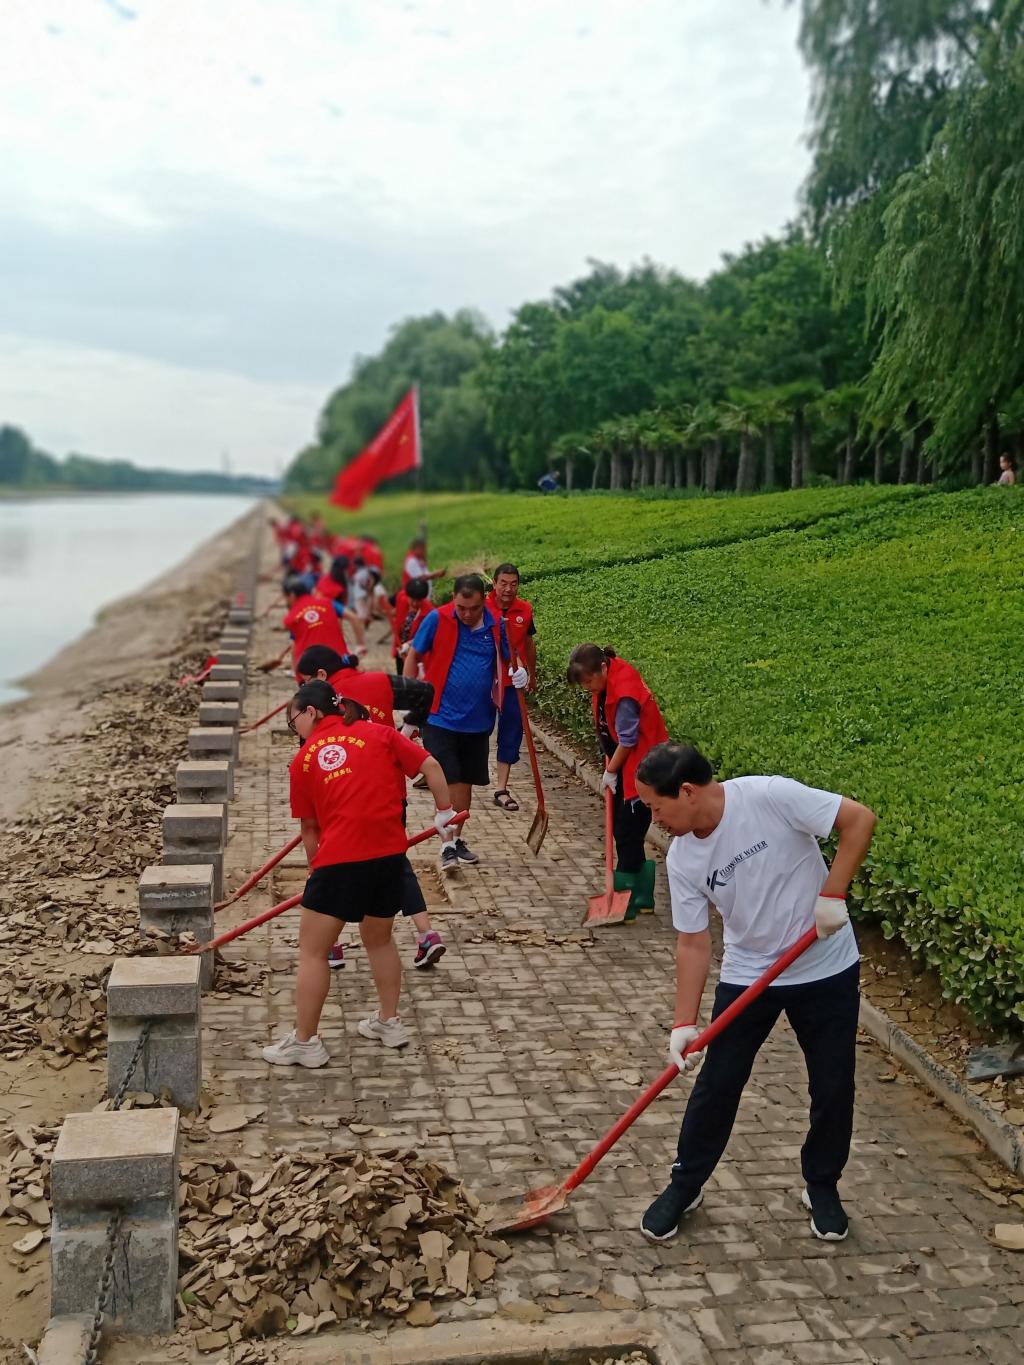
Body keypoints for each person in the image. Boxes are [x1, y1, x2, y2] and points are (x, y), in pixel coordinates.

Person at [634, 742, 876, 1244]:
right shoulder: (683, 857)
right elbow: (693, 941)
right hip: (750, 972)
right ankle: (685, 1184)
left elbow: (859, 820)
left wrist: (832, 894)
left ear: (687, 792)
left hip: (825, 965)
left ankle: (822, 1185)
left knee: (833, 1085)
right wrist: (683, 1023)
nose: (654, 819)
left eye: (657, 807)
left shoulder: (768, 796)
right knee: (718, 1083)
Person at [262, 681, 459, 1067]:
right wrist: (444, 812)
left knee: (313, 951)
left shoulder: (304, 759)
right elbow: (432, 766)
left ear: (312, 712)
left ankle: (305, 1042)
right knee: (379, 940)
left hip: (340, 859)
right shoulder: (380, 733)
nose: (294, 728)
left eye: (293, 720)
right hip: (390, 856)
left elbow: (310, 829)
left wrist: (316, 873)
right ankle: (389, 1021)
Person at [294, 647, 446, 969]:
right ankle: (426, 932)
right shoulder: (379, 681)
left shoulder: (322, 710)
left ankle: (330, 945)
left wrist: (313, 865)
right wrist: (409, 727)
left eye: (305, 681)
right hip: (388, 794)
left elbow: (310, 823)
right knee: (395, 862)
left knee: (334, 876)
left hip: (340, 802)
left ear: (320, 677)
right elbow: (425, 693)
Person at [403, 573, 528, 870]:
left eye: (473, 608)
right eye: (461, 608)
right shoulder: (438, 619)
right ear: (454, 600)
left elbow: (512, 658)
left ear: (484, 600)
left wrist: (520, 672)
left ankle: (456, 839)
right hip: (439, 717)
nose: (467, 614)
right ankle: (446, 845)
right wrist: (411, 700)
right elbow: (413, 655)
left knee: (465, 783)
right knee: (449, 780)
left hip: (479, 721)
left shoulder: (496, 625)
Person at [567, 644, 668, 917]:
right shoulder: (607, 677)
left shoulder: (624, 692)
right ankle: (642, 897)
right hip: (626, 766)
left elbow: (628, 740)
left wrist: (611, 769)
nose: (587, 687)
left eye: (589, 681)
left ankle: (625, 899)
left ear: (603, 668)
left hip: (642, 770)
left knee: (627, 834)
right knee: (626, 833)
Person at [486, 563, 538, 812]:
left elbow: (528, 642)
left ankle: (501, 788)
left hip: (513, 681)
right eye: (503, 583)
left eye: (513, 584)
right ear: (494, 584)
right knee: (478, 730)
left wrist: (531, 674)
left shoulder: (525, 609)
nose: (508, 589)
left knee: (512, 731)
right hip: (485, 681)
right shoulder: (481, 607)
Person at [265, 575, 366, 675]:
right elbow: (354, 618)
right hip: (341, 662)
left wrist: (296, 671)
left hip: (314, 670)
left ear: (292, 595)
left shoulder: (293, 617)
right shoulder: (328, 602)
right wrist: (360, 645)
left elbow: (295, 646)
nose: (286, 601)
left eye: (285, 597)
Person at [392, 578, 432, 664]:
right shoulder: (401, 598)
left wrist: (409, 645)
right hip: (400, 648)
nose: (414, 603)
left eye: (418, 600)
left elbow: (426, 634)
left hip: (416, 652)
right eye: (412, 599)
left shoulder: (429, 612)